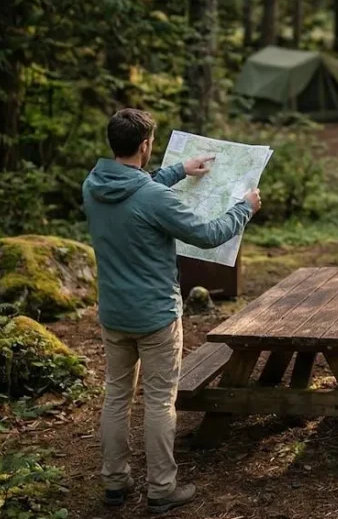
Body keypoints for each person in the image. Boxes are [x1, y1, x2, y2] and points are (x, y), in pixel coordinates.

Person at [82, 109, 261, 513]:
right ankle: (161, 488)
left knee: (116, 395)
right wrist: (244, 208)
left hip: (113, 313)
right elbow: (208, 234)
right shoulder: (152, 197)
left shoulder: (92, 185)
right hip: (156, 316)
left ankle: (114, 483)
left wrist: (178, 169)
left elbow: (138, 195)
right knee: (160, 401)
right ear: (145, 145)